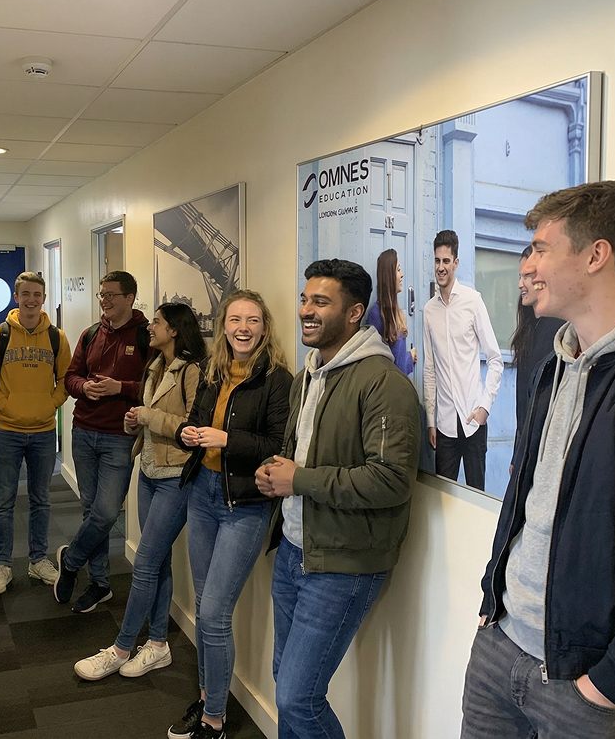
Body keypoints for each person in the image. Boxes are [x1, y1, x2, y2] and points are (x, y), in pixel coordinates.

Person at [461, 181, 615, 739]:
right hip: (501, 652)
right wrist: (491, 603)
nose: (527, 266)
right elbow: (526, 502)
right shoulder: (557, 365)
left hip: (593, 689)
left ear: (597, 255)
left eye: (541, 249)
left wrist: (609, 684)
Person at [257, 259, 421, 739]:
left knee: (297, 698)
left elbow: (391, 480)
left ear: (354, 314)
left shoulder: (383, 383)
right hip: (294, 551)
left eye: (320, 302)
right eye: (305, 299)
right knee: (285, 686)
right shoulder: (309, 374)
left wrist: (300, 480)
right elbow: (302, 455)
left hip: (342, 565)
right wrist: (278, 473)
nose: (306, 310)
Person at [168, 290, 293, 739]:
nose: (243, 327)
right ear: (223, 326)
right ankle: (206, 696)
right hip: (202, 493)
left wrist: (227, 439)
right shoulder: (213, 372)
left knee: (216, 612)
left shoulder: (279, 380)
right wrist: (188, 434)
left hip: (245, 504)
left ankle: (215, 720)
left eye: (252, 320)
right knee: (204, 607)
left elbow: (280, 447)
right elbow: (198, 424)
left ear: (264, 327)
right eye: (235, 319)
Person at [74, 303, 206, 681]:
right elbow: (149, 416)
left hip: (175, 476)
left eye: (158, 323)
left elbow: (194, 426)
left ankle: (120, 647)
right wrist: (136, 421)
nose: (150, 327)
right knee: (158, 561)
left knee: (145, 563)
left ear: (176, 330)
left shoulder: (192, 370)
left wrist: (148, 416)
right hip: (148, 470)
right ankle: (159, 645)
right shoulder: (155, 365)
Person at [55, 271, 148, 614]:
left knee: (107, 512)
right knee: (91, 510)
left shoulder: (145, 335)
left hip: (119, 437)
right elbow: (70, 377)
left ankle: (72, 560)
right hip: (83, 430)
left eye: (111, 295)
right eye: (101, 294)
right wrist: (85, 388)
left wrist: (119, 388)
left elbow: (154, 387)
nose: (104, 300)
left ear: (129, 297)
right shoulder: (91, 333)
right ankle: (101, 584)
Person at [0, 272, 71, 593]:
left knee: (41, 500)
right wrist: (7, 407)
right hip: (6, 431)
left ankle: (37, 560)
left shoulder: (57, 337)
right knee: (3, 501)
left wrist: (50, 407)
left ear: (44, 298)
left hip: (44, 432)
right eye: (25, 294)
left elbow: (66, 381)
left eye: (37, 295)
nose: (31, 300)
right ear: (16, 298)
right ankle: (3, 565)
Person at [422, 229, 503, 491]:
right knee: (443, 497)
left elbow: (495, 359)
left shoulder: (473, 301)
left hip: (473, 421)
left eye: (446, 261)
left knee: (477, 496)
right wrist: (431, 421)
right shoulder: (429, 311)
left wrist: (485, 407)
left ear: (456, 263)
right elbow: (430, 369)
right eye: (437, 261)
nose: (441, 267)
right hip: (444, 424)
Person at [510, 245, 564, 438]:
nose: (520, 284)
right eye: (520, 277)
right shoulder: (529, 327)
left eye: (527, 276)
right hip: (525, 439)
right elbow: (523, 398)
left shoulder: (557, 328)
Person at [366, 248, 416, 374]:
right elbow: (376, 363)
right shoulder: (376, 316)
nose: (402, 274)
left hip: (401, 385)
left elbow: (397, 359)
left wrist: (409, 356)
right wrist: (409, 357)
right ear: (389, 276)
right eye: (398, 270)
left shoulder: (396, 312)